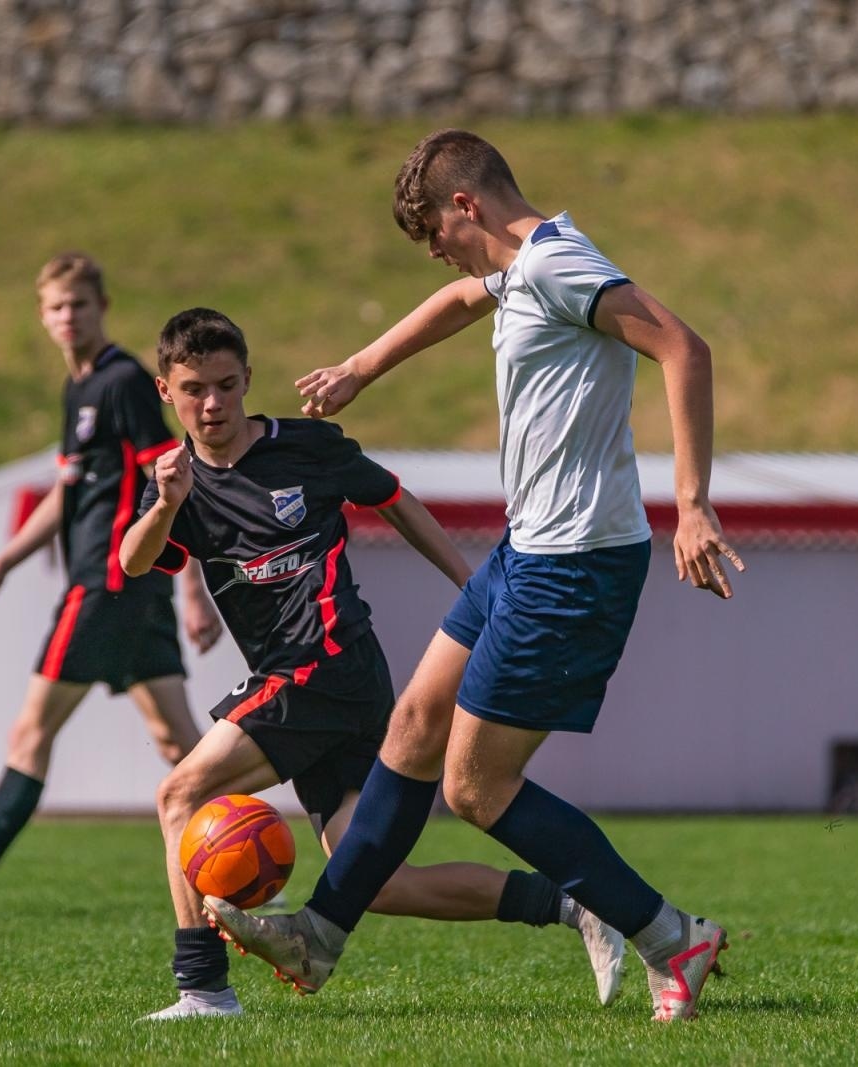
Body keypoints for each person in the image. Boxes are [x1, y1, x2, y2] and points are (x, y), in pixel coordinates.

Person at [203, 130, 745, 1023]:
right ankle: (318, 936)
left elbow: (686, 348)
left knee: (475, 787)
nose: (435, 251)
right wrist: (359, 369)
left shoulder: (561, 265)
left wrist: (692, 504)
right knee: (414, 725)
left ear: (467, 205)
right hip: (525, 549)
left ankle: (669, 935)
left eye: (434, 231)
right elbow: (461, 298)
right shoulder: (525, 267)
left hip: (573, 566)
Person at [121, 307, 626, 1019]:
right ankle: (578, 904)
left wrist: (475, 588)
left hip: (325, 666)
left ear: (248, 379)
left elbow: (395, 501)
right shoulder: (175, 481)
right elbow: (134, 560)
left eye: (226, 386)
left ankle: (202, 987)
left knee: (179, 795)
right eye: (194, 389)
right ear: (165, 390)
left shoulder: (308, 448)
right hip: (318, 684)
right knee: (378, 880)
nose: (213, 404)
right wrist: (166, 506)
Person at [0, 252, 220, 913]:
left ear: (103, 307)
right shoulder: (78, 389)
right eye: (57, 306)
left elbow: (174, 478)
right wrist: (1, 565)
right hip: (128, 591)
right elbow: (67, 492)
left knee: (29, 733)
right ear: (41, 315)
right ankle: (252, 868)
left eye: (80, 304)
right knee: (180, 745)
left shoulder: (122, 381)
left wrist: (193, 589)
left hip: (106, 584)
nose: (69, 317)